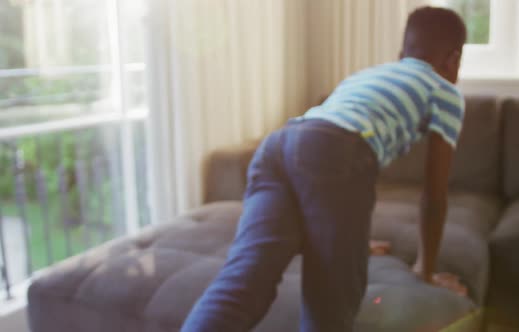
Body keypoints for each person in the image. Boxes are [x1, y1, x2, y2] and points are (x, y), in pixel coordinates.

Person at [181, 6, 468, 332]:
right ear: (453, 61)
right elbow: (434, 194)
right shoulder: (446, 91)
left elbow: (323, 163)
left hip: (278, 146)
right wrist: (425, 270)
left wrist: (349, 237)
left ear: (402, 53)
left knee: (245, 278)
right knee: (331, 302)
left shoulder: (367, 75)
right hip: (334, 151)